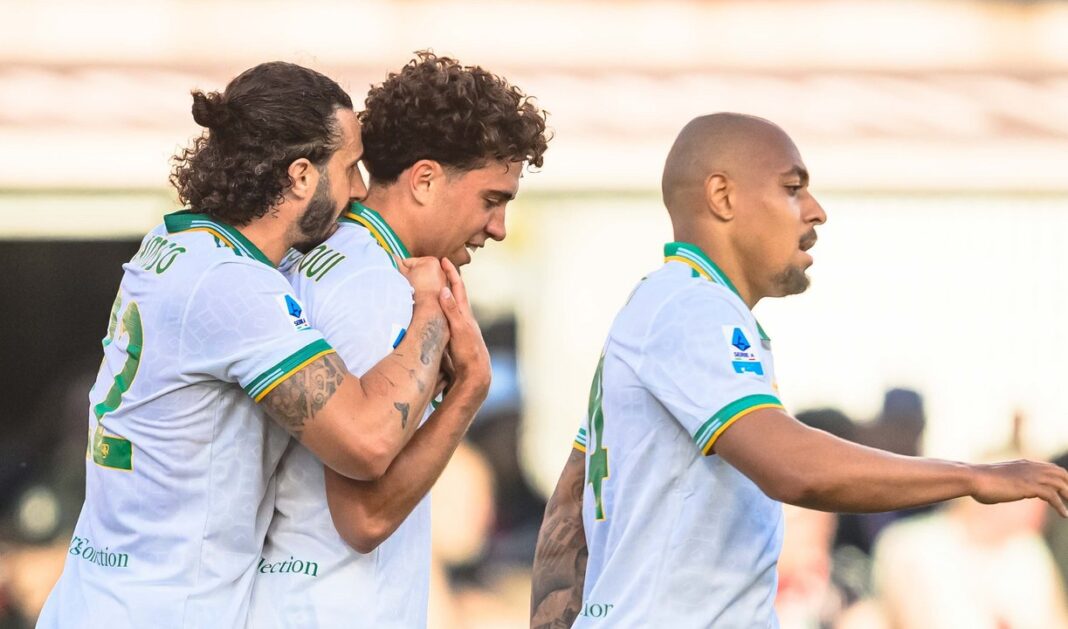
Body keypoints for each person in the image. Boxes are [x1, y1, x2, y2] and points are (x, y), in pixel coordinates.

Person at [529, 112, 1068, 628]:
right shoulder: (692, 307)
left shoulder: (664, 306)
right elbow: (796, 470)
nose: (815, 211)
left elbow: (570, 502)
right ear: (722, 197)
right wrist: (973, 478)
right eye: (793, 188)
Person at [38, 61, 462, 629]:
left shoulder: (176, 242)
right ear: (302, 175)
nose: (361, 191)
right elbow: (366, 441)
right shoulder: (233, 287)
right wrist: (433, 309)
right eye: (352, 167)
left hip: (100, 599)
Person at [247, 52, 549, 628]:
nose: (499, 228)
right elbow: (363, 517)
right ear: (425, 179)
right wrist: (470, 389)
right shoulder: (376, 288)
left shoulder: (340, 262)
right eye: (492, 199)